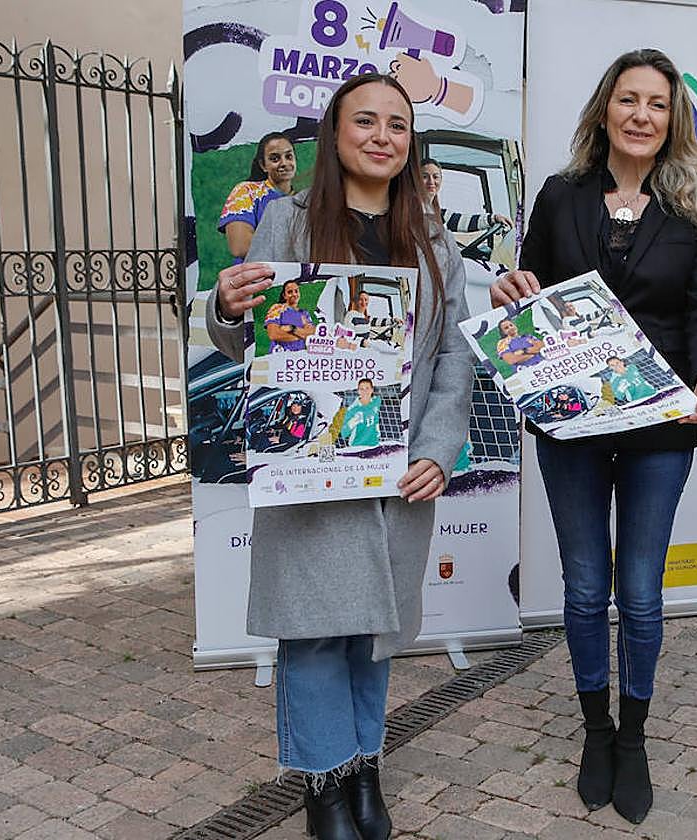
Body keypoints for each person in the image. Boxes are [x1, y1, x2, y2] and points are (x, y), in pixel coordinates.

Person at [205, 73, 473, 840]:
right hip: (312, 473)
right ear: (334, 131)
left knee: (374, 628)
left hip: (395, 471)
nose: (383, 135)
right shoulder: (285, 224)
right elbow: (243, 336)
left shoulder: (431, 238)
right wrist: (225, 305)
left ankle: (365, 765)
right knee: (317, 628)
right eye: (366, 121)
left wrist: (440, 448)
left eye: (398, 123)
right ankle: (325, 788)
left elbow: (454, 356)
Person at [488, 48, 697, 825]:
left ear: (674, 119)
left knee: (643, 594)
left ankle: (635, 736)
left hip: (661, 423)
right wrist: (510, 290)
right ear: (604, 109)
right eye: (628, 100)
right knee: (586, 587)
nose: (640, 116)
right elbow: (528, 291)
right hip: (571, 422)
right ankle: (595, 729)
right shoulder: (561, 197)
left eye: (656, 104)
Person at [219, 132, 296, 261]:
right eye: (275, 159)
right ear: (263, 165)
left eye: (289, 156)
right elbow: (240, 247)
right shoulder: (246, 192)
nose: (284, 163)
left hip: (298, 279)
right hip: (254, 277)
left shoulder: (306, 200)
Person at [422, 158, 513, 233]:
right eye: (425, 177)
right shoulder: (412, 211)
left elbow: (465, 221)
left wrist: (494, 218)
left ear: (441, 180)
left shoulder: (438, 213)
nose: (431, 182)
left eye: (435, 177)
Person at [265, 280, 316, 352]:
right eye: (290, 292)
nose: (294, 294)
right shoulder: (277, 309)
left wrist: (292, 328)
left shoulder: (304, 313)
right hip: (280, 355)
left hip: (298, 358)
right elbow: (274, 334)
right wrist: (302, 335)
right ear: (284, 295)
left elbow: (312, 334)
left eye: (296, 291)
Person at [342, 378, 382, 447]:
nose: (365, 391)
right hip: (357, 446)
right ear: (358, 391)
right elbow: (344, 433)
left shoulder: (376, 401)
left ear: (372, 390)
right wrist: (353, 421)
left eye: (367, 388)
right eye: (362, 389)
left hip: (374, 444)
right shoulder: (352, 409)